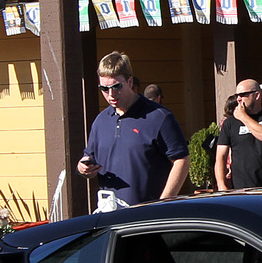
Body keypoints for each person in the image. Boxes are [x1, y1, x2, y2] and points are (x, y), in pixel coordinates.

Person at [78, 52, 189, 207]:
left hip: (147, 216)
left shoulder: (159, 117)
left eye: (117, 86)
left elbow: (181, 159)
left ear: (130, 82)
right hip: (109, 213)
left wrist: (164, 202)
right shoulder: (101, 121)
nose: (111, 94)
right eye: (104, 88)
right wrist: (84, 167)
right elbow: (89, 157)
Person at [215, 80, 262, 191]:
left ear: (257, 95)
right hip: (241, 187)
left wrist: (243, 117)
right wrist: (221, 185)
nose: (238, 99)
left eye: (242, 95)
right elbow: (220, 156)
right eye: (237, 95)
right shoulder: (230, 123)